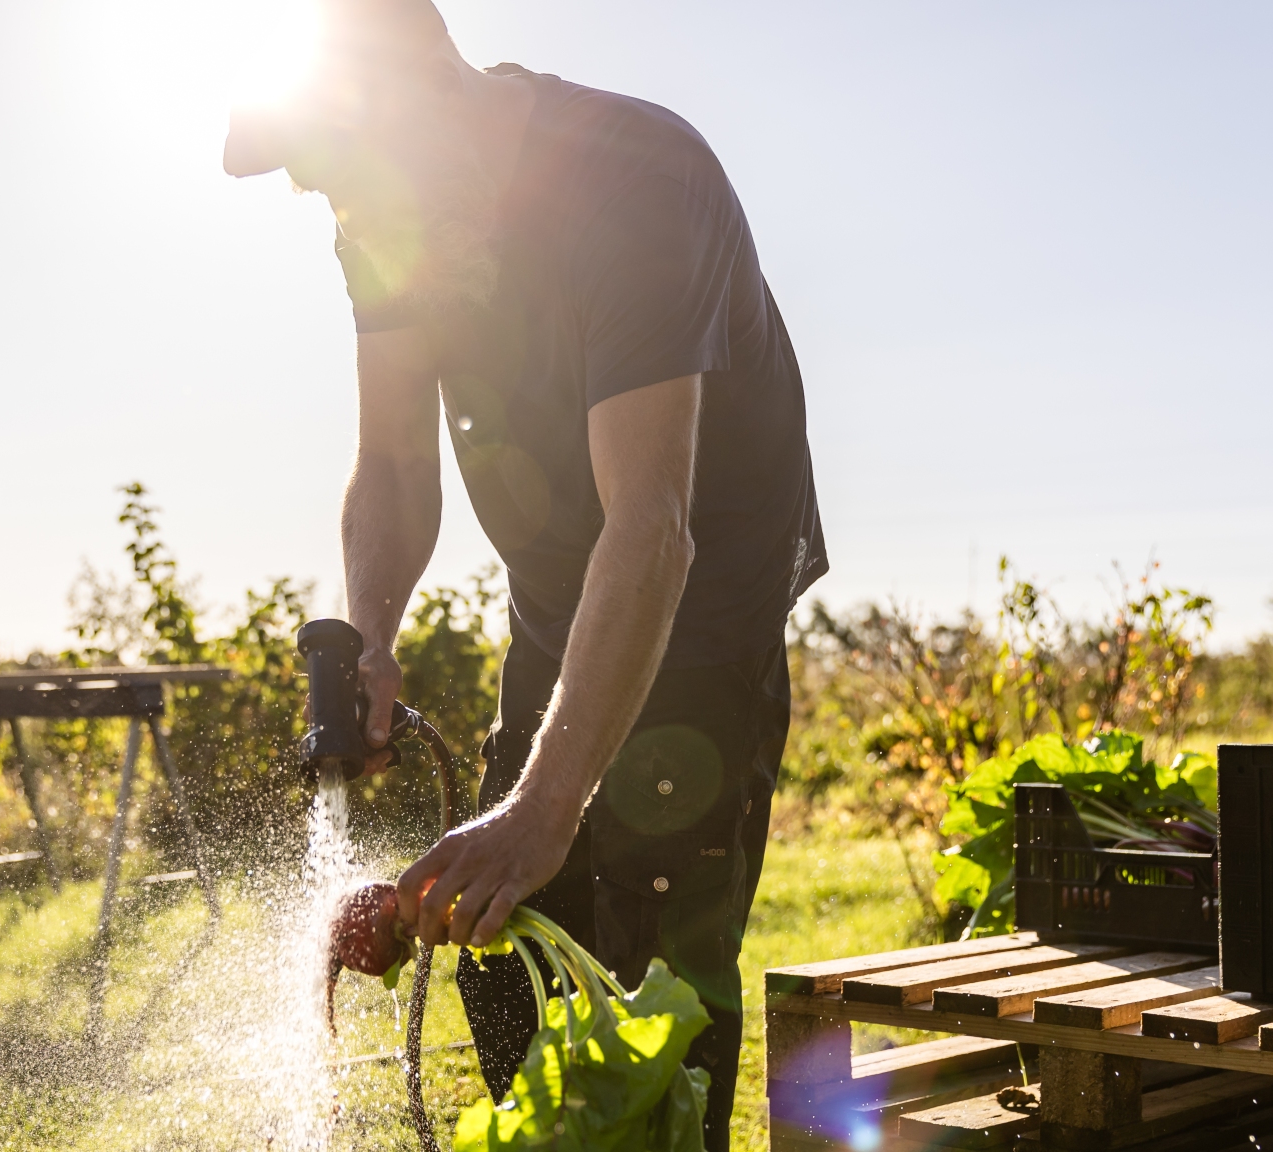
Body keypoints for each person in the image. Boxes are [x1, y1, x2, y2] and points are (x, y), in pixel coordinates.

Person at [224, 1, 825, 1145]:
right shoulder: (385, 218)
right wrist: (371, 640)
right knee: (499, 955)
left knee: (651, 993)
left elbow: (650, 526)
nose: (351, 214)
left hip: (694, 612)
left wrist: (548, 806)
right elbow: (394, 463)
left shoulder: (631, 178)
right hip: (560, 607)